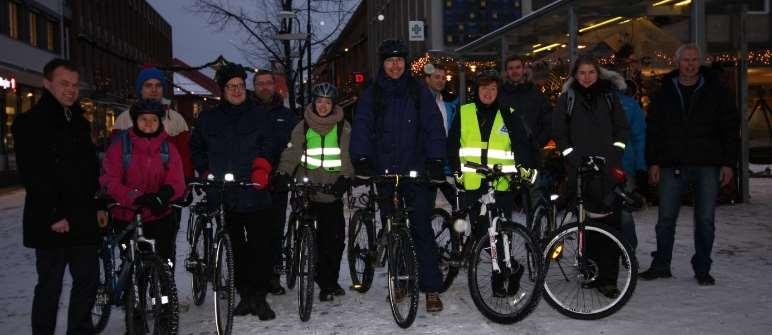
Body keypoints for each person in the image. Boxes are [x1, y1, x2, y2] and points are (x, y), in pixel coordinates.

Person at [350, 39, 447, 312]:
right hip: (384, 173)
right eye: (390, 61)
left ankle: (431, 288)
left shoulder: (418, 91)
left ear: (406, 64)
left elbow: (432, 127)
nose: (395, 65)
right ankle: (402, 280)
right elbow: (362, 127)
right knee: (393, 230)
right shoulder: (372, 93)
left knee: (421, 230)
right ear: (383, 64)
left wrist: (436, 160)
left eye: (399, 61)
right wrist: (362, 158)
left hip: (415, 172)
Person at [12, 58, 101, 335]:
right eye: (64, 83)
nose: (70, 90)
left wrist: (99, 203)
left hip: (83, 217)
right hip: (52, 221)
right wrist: (54, 214)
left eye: (74, 85)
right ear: (47, 83)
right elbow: (33, 174)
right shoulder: (30, 122)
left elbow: (90, 170)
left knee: (87, 281)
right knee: (50, 287)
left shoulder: (79, 122)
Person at [639, 44, 739, 286]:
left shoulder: (717, 90)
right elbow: (653, 130)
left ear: (700, 62)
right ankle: (662, 264)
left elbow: (729, 128)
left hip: (708, 163)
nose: (690, 64)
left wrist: (728, 163)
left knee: (705, 220)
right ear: (677, 62)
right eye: (686, 60)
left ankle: (702, 267)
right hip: (671, 163)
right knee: (665, 219)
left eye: (694, 60)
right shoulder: (664, 92)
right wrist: (653, 161)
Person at [190, 63, 276, 320]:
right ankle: (245, 294)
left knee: (262, 247)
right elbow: (196, 148)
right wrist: (205, 172)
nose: (237, 90)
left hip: (255, 191)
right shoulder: (209, 118)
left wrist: (262, 167)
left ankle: (260, 297)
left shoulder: (259, 114)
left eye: (240, 85)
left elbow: (270, 143)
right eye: (231, 86)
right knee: (235, 248)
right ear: (222, 90)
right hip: (226, 195)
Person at [447, 69, 536, 297]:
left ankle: (504, 275)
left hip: (501, 184)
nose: (488, 92)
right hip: (473, 182)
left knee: (501, 233)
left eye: (493, 88)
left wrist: (524, 167)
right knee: (482, 234)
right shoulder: (464, 112)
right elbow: (452, 145)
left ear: (499, 91)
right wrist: (456, 170)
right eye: (484, 87)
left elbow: (521, 144)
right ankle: (506, 267)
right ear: (476, 90)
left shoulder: (509, 113)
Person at [553, 55, 630, 298]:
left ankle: (608, 279)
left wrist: (615, 153)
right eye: (582, 73)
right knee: (586, 225)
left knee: (610, 225)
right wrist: (572, 157)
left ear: (598, 74)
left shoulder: (610, 97)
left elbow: (622, 129)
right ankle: (590, 271)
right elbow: (560, 132)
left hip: (607, 171)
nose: (587, 77)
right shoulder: (568, 99)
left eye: (591, 72)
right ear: (575, 75)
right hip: (580, 171)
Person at [277, 82, 353, 302]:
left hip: (332, 191)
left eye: (327, 102)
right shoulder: (303, 126)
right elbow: (292, 153)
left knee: (335, 241)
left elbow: (347, 157)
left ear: (333, 104)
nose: (323, 106)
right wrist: (283, 173)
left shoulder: (343, 127)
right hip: (308, 190)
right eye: (319, 101)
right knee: (316, 239)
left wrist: (345, 178)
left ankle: (330, 280)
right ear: (313, 102)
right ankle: (319, 276)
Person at [112, 66, 193, 269]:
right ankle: (134, 294)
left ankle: (165, 293)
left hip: (166, 198)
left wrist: (183, 187)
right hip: (131, 202)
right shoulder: (124, 120)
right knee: (132, 254)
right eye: (148, 86)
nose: (154, 90)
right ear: (140, 89)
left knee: (166, 249)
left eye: (158, 86)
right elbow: (114, 162)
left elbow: (184, 159)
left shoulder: (175, 120)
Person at [100, 99, 186, 268]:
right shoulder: (120, 147)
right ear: (135, 120)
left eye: (153, 119)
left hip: (158, 215)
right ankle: (129, 292)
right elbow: (109, 179)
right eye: (143, 119)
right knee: (131, 266)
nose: (148, 124)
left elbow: (177, 180)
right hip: (126, 216)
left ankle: (162, 293)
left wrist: (165, 194)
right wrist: (134, 196)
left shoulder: (168, 149)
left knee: (162, 264)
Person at [253, 68, 295, 296]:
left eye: (268, 83)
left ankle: (273, 275)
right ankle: (256, 275)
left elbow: (293, 145)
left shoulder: (286, 115)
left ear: (274, 85)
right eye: (260, 83)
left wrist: (286, 173)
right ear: (254, 86)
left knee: (275, 229)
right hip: (251, 181)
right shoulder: (246, 111)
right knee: (254, 229)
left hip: (278, 180)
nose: (264, 87)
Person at [498, 55, 552, 211]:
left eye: (517, 67)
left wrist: (538, 141)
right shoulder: (500, 95)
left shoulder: (535, 94)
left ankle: (535, 232)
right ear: (506, 72)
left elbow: (548, 120)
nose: (514, 71)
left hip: (530, 154)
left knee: (534, 196)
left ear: (523, 70)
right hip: (505, 154)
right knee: (504, 197)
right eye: (511, 68)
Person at [423, 62, 459, 209]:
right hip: (428, 164)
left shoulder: (447, 104)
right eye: (436, 77)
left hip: (446, 164)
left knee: (456, 208)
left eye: (443, 78)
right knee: (426, 210)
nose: (441, 80)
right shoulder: (420, 102)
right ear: (427, 79)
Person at [616, 79, 647, 251]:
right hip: (624, 164)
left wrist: (641, 167)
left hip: (621, 165)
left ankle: (627, 251)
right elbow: (640, 138)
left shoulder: (629, 105)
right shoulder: (630, 104)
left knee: (623, 211)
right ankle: (628, 251)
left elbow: (639, 137)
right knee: (624, 212)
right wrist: (641, 167)